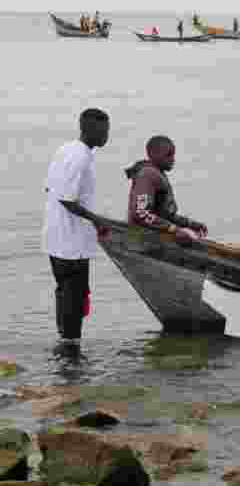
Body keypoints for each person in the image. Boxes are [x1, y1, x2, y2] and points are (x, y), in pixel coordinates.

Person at [43, 108, 110, 348]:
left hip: (55, 238)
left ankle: (64, 344)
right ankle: (71, 351)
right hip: (72, 244)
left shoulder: (65, 149)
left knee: (65, 292)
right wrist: (97, 220)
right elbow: (67, 200)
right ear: (88, 129)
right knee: (75, 298)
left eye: (107, 130)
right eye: (102, 130)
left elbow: (50, 189)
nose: (106, 135)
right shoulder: (80, 158)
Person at [125, 136, 208, 243]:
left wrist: (190, 224)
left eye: (173, 154)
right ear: (152, 154)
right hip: (142, 239)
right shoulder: (148, 174)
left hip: (155, 236)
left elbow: (166, 215)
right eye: (168, 155)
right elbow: (140, 213)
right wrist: (174, 229)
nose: (173, 159)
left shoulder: (158, 174)